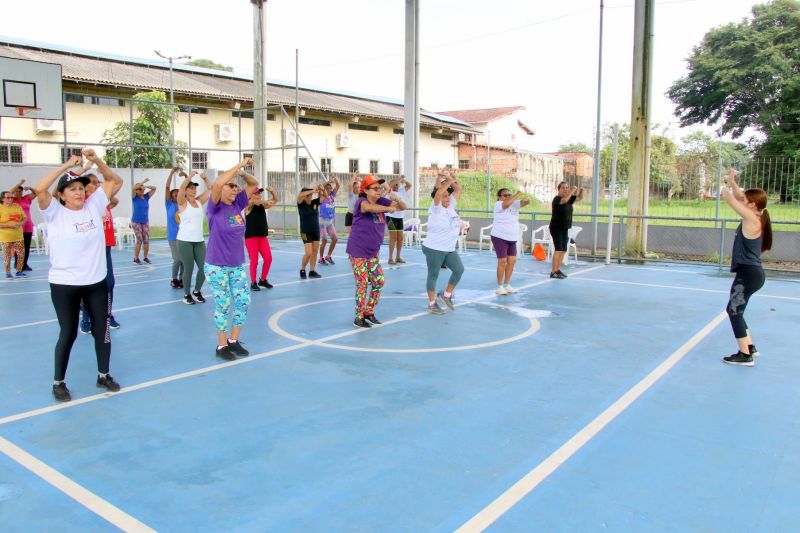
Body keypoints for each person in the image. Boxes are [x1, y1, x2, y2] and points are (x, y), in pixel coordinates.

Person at [34, 149, 123, 402]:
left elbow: (114, 181)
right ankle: (58, 382)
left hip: (95, 283)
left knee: (101, 330)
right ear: (61, 195)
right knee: (68, 332)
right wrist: (66, 167)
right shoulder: (54, 212)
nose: (79, 192)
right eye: (71, 189)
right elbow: (40, 190)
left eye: (81, 188)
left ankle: (103, 375)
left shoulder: (94, 205)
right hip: (65, 284)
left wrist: (96, 161)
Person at [205, 159, 259, 360]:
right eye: (232, 186)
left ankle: (233, 341)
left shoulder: (238, 204)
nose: (235, 189)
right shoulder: (214, 207)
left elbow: (253, 184)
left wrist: (242, 174)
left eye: (236, 187)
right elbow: (218, 184)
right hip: (217, 265)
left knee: (243, 301)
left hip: (236, 265)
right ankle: (221, 346)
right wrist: (237, 166)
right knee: (224, 304)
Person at [720, 170, 772, 367]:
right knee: (737, 310)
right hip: (752, 274)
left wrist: (724, 184)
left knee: (733, 311)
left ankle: (745, 355)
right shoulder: (757, 215)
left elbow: (731, 199)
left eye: (746, 199)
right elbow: (738, 196)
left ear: (752, 204)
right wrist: (733, 180)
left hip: (749, 274)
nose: (742, 200)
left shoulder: (750, 218)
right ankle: (750, 347)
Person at [346, 175, 404, 328]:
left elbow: (402, 207)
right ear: (365, 190)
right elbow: (368, 208)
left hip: (372, 253)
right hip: (358, 251)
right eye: (375, 188)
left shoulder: (381, 201)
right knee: (363, 283)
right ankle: (358, 317)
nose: (379, 191)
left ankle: (368, 312)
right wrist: (388, 208)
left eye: (380, 188)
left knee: (379, 281)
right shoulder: (361, 202)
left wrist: (397, 200)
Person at [80, 173, 121, 332]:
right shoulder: (84, 204)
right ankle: (86, 319)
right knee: (89, 286)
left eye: (98, 182)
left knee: (109, 284)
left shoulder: (102, 202)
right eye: (92, 182)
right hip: (91, 249)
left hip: (106, 247)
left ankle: (107, 315)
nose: (97, 185)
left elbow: (117, 189)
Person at [422, 175, 465, 315]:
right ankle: (432, 304)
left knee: (459, 270)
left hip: (448, 248)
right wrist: (447, 183)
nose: (447, 198)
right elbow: (439, 193)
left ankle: (446, 295)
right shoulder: (436, 208)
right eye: (445, 196)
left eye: (448, 196)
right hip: (434, 247)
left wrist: (452, 178)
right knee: (433, 275)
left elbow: (458, 189)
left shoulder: (450, 206)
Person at [176, 171, 212, 305]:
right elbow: (180, 189)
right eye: (191, 187)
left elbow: (212, 189)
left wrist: (205, 177)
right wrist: (189, 177)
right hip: (184, 240)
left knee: (204, 268)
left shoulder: (199, 201)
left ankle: (197, 291)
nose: (194, 189)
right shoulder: (182, 202)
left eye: (195, 187)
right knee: (189, 268)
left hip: (199, 241)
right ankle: (186, 294)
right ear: (185, 190)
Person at [491, 188, 530, 294]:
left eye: (509, 195)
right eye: (505, 195)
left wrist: (526, 200)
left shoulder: (513, 204)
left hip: (512, 237)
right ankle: (499, 286)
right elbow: (507, 204)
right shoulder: (498, 204)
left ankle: (507, 284)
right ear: (499, 197)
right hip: (499, 236)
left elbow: (524, 203)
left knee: (512, 261)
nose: (508, 197)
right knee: (502, 261)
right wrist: (517, 194)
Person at [245, 184, 277, 291]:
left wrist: (272, 192)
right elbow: (254, 202)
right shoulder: (248, 204)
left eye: (259, 193)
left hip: (263, 237)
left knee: (268, 259)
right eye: (256, 193)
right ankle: (253, 282)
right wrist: (265, 201)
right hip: (251, 238)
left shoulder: (262, 205)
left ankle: (263, 280)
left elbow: (275, 200)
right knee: (254, 260)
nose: (259, 195)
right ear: (251, 194)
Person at [549, 181, 583, 279]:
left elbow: (580, 198)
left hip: (565, 228)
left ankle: (558, 270)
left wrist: (581, 191)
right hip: (556, 228)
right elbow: (564, 200)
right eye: (563, 188)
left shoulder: (568, 199)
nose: (565, 189)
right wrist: (572, 190)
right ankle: (553, 272)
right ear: (558, 189)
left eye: (566, 187)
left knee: (563, 250)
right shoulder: (557, 199)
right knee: (558, 249)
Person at [297, 184, 327, 279]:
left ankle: (312, 271)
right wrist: (312, 191)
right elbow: (300, 195)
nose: (310, 196)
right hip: (305, 231)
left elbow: (325, 196)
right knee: (308, 252)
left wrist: (323, 189)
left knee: (314, 251)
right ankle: (302, 269)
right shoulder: (301, 203)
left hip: (315, 231)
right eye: (308, 194)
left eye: (311, 194)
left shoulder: (314, 202)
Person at [165, 166, 185, 289]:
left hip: (184, 236)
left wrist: (187, 177)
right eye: (175, 194)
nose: (177, 196)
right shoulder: (169, 204)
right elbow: (167, 187)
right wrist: (172, 172)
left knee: (183, 260)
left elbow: (188, 189)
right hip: (173, 236)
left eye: (179, 194)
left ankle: (181, 279)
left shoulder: (184, 204)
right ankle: (173, 278)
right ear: (171, 197)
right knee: (177, 258)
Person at [0, 189, 26, 279]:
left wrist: (19, 223)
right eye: (8, 198)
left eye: (12, 197)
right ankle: (8, 273)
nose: (10, 199)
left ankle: (19, 271)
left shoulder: (17, 206)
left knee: (21, 254)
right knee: (7, 256)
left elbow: (24, 218)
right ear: (2, 199)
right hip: (5, 237)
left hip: (18, 235)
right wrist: (8, 225)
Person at [11, 180, 36, 271]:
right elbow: (9, 193)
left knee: (27, 246)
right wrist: (19, 184)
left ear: (22, 191)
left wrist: (29, 188)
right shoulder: (12, 200)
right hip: (19, 225)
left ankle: (25, 264)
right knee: (19, 246)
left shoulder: (26, 198)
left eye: (20, 191)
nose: (18, 193)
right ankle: (18, 264)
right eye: (16, 191)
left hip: (28, 225)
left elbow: (36, 193)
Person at [386, 175, 411, 264]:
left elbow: (409, 185)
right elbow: (396, 206)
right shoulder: (389, 193)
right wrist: (398, 179)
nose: (397, 185)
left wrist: (403, 180)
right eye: (395, 184)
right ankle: (390, 258)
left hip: (399, 217)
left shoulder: (401, 191)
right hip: (390, 217)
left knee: (400, 238)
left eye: (398, 184)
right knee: (393, 238)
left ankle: (398, 256)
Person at [131, 177, 157, 264]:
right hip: (136, 222)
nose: (141, 190)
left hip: (145, 221)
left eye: (141, 188)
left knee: (146, 240)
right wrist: (143, 182)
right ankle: (136, 258)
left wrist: (145, 185)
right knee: (139, 240)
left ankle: (145, 257)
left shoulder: (146, 197)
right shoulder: (134, 197)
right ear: (136, 191)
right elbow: (133, 188)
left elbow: (154, 188)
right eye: (139, 189)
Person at [318, 176, 341, 265]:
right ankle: (320, 258)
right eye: (327, 188)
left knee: (335, 239)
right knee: (324, 240)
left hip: (329, 222)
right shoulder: (322, 197)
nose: (329, 189)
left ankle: (328, 256)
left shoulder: (332, 195)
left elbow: (338, 185)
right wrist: (328, 181)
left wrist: (335, 178)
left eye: (330, 188)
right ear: (324, 189)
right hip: (322, 221)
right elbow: (320, 186)